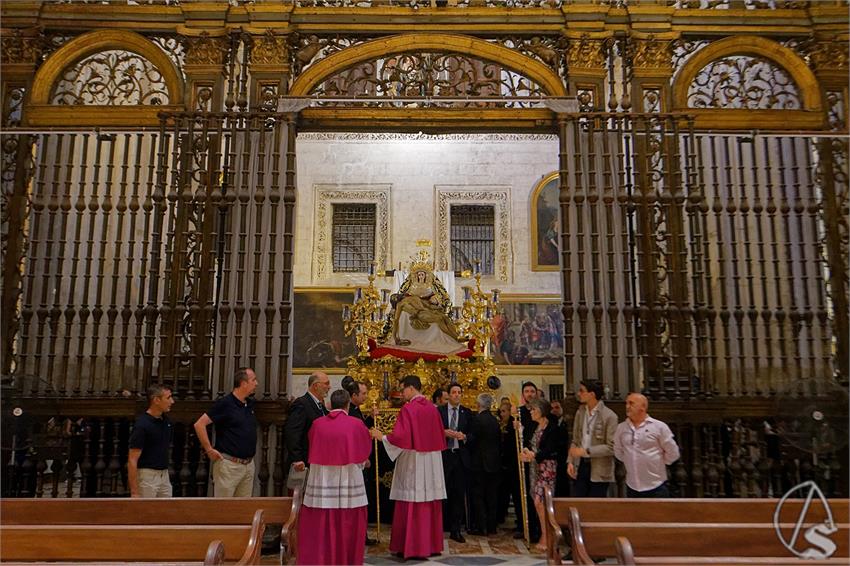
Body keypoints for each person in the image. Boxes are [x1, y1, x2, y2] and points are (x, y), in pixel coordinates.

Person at [370, 375, 446, 559]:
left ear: (411, 388)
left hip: (414, 461)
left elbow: (401, 437)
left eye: (403, 389)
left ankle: (413, 547)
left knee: (412, 499)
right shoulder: (433, 409)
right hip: (432, 460)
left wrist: (382, 437)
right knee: (429, 500)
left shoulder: (409, 408)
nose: (401, 393)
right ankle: (431, 545)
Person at [297, 389, 372, 565]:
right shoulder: (356, 424)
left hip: (322, 481)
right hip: (348, 481)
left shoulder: (317, 424)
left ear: (331, 404)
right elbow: (363, 455)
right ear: (347, 404)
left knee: (323, 521)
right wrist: (363, 462)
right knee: (347, 521)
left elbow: (312, 446)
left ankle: (322, 559)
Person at [194, 368, 258, 497]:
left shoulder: (249, 404)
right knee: (224, 509)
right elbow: (199, 424)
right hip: (229, 466)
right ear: (243, 383)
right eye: (253, 380)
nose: (256, 383)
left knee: (242, 510)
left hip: (248, 465)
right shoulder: (225, 404)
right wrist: (209, 449)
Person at [614, 393, 680, 498]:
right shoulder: (621, 428)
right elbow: (618, 451)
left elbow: (673, 452)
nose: (627, 406)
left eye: (631, 403)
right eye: (626, 403)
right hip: (632, 486)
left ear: (643, 407)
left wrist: (659, 462)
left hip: (656, 485)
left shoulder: (659, 427)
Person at [519, 398, 559, 553]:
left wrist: (534, 455)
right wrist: (527, 452)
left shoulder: (552, 428)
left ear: (541, 410)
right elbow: (532, 445)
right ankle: (545, 533)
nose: (531, 412)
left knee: (541, 501)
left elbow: (550, 449)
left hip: (546, 467)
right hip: (536, 467)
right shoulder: (536, 427)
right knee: (537, 501)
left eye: (533, 409)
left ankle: (547, 535)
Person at [342, 377, 379, 547]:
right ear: (354, 395)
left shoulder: (356, 410)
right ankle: (359, 535)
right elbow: (357, 436)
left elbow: (362, 428)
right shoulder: (352, 412)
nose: (365, 397)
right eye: (363, 394)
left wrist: (370, 419)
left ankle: (361, 534)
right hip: (357, 462)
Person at [567, 380, 618, 497]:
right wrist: (570, 461)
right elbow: (575, 440)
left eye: (582, 391)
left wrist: (587, 451)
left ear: (592, 394)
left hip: (599, 468)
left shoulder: (609, 416)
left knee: (595, 506)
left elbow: (611, 447)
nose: (579, 394)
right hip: (581, 465)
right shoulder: (580, 412)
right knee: (579, 502)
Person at [438, 382, 473, 543]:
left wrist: (464, 437)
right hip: (444, 457)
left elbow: (474, 435)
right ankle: (439, 528)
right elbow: (431, 430)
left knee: (459, 494)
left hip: (460, 457)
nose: (457, 395)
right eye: (454, 392)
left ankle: (456, 529)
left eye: (459, 392)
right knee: (442, 493)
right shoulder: (439, 411)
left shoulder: (467, 413)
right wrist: (443, 432)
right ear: (449, 395)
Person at [128, 383, 174, 498]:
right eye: (168, 398)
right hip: (147, 475)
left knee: (167, 512)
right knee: (146, 513)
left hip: (164, 474)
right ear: (156, 400)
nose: (172, 401)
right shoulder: (142, 424)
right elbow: (132, 459)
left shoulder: (166, 421)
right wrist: (134, 491)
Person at [284, 371, 331, 477]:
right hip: (305, 462)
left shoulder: (320, 405)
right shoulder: (301, 404)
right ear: (315, 386)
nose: (329, 387)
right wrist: (297, 459)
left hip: (318, 460)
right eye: (326, 383)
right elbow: (293, 433)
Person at [468, 393, 501, 536]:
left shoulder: (478, 420)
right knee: (492, 496)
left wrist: (464, 437)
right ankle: (492, 526)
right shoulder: (495, 421)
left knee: (478, 495)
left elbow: (473, 440)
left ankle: (481, 526)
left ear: (478, 404)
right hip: (494, 463)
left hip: (480, 463)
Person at [516, 380, 541, 542]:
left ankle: (539, 528)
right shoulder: (519, 412)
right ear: (523, 394)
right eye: (527, 391)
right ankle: (525, 526)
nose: (530, 394)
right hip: (524, 455)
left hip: (538, 456)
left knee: (537, 494)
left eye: (532, 391)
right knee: (524, 492)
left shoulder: (541, 411)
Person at [498, 400, 522, 534]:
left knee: (517, 495)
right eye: (500, 411)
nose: (502, 414)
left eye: (504, 411)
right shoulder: (500, 424)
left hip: (513, 465)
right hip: (503, 465)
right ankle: (500, 516)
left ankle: (520, 522)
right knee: (503, 493)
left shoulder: (514, 425)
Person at [549, 398, 570, 497]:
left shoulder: (566, 424)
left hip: (564, 460)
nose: (554, 410)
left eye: (557, 407)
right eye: (552, 408)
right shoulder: (550, 425)